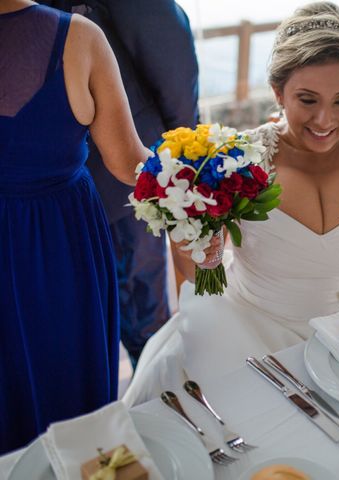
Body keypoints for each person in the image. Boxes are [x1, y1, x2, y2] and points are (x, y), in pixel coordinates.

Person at [123, 1, 339, 405]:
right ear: (278, 93)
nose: (325, 120)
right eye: (307, 99)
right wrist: (199, 253)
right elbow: (201, 277)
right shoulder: (237, 161)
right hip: (242, 336)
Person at [0, 0, 150, 452]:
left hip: (52, 236)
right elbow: (129, 164)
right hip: (60, 244)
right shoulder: (80, 39)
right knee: (67, 375)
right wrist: (208, 175)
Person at [39, 0, 200, 367]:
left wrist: (181, 148)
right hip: (48, 185)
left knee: (142, 314)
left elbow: (165, 47)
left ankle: (159, 400)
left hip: (120, 171)